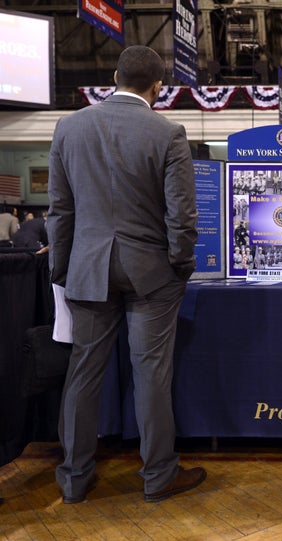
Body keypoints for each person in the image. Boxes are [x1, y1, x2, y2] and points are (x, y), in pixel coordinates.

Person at [47, 45, 205, 504]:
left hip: (87, 270)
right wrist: (180, 264)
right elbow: (182, 217)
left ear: (114, 77)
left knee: (83, 372)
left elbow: (61, 210)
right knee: (151, 372)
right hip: (151, 273)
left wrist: (62, 270)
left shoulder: (69, 127)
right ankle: (158, 476)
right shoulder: (167, 131)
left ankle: (74, 478)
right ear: (159, 87)